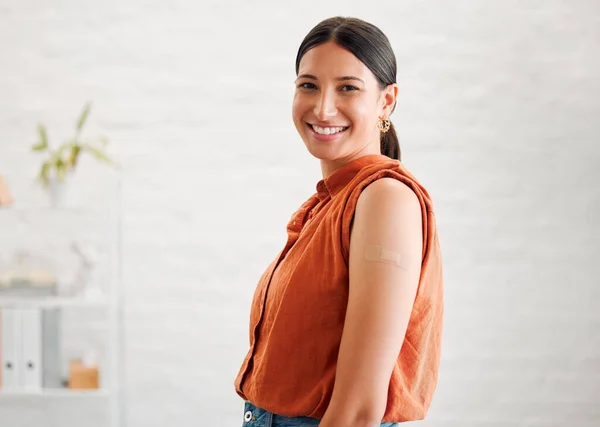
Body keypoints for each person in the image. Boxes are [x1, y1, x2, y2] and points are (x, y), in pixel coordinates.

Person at [234, 16, 444, 427]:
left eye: (348, 87)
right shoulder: (334, 202)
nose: (323, 107)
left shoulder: (385, 199)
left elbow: (359, 407)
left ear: (386, 101)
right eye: (308, 85)